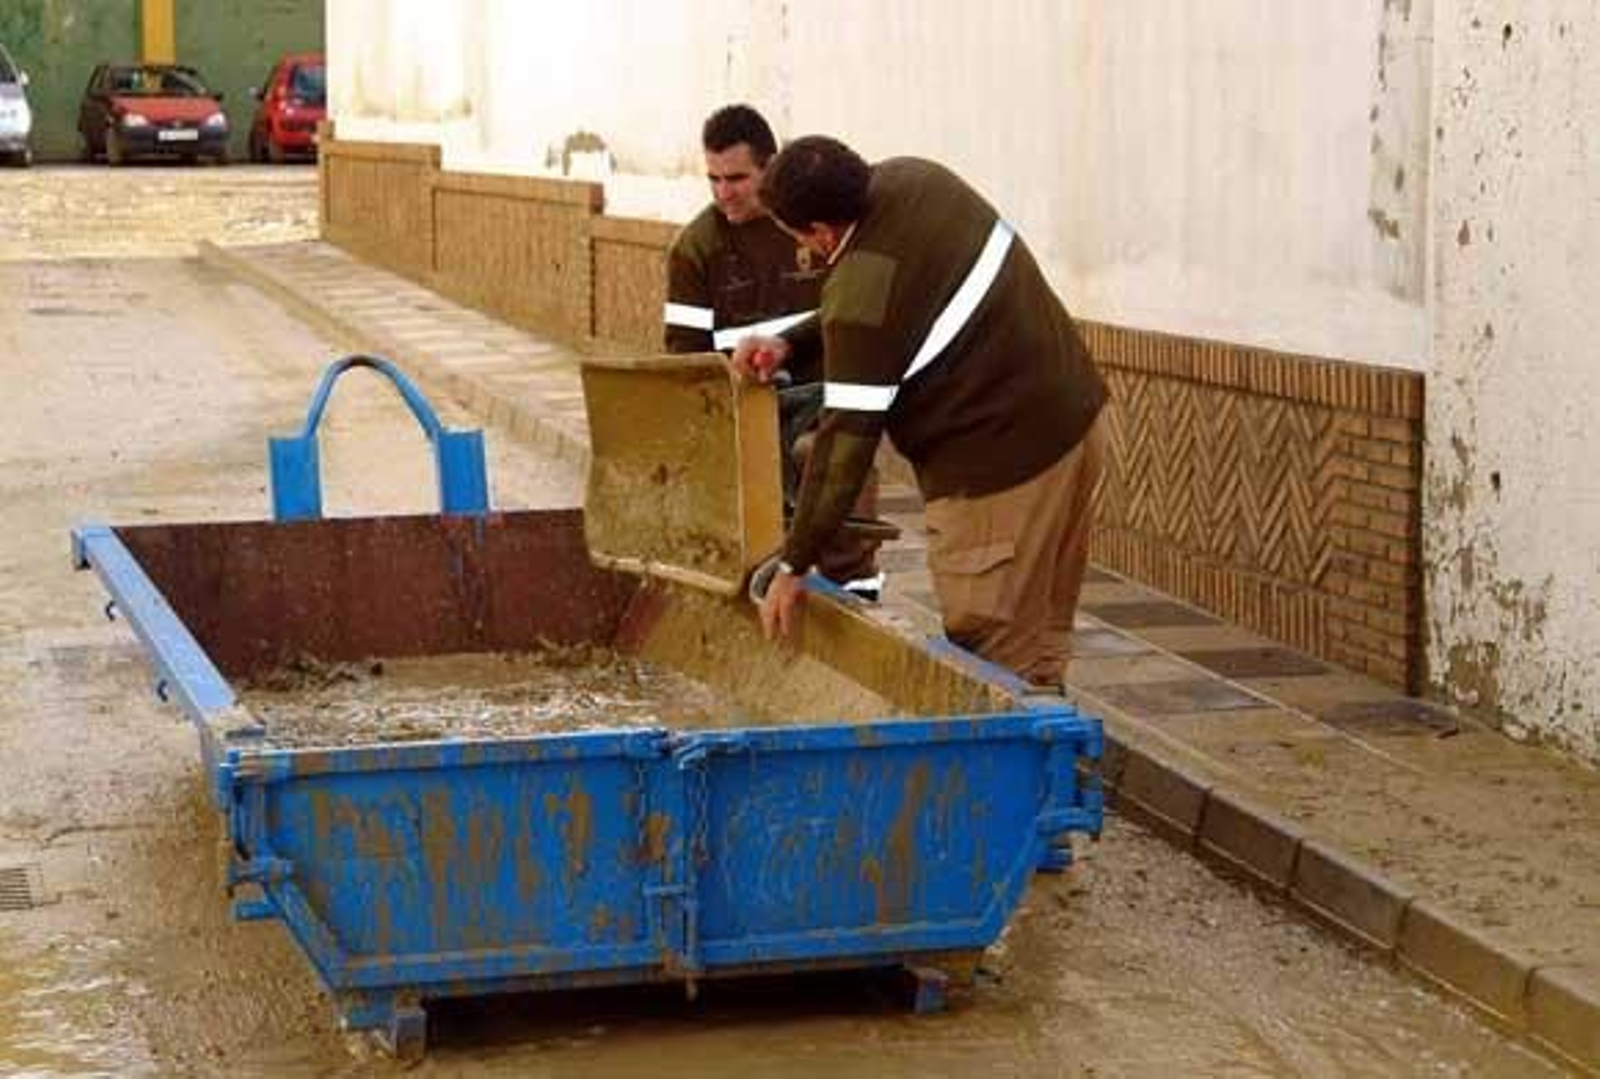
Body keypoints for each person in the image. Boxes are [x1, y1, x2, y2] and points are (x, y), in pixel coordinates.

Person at [734, 136, 1108, 692]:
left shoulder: (859, 283)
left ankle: (1014, 776)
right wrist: (792, 343)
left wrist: (794, 563)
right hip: (1077, 426)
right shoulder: (917, 180)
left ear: (820, 233)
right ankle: (1061, 768)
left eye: (797, 237)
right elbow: (889, 305)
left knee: (995, 666)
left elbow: (845, 445)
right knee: (1042, 649)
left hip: (1004, 476)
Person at [663, 106, 883, 600]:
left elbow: (852, 315)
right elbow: (684, 360)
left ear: (769, 167)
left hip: (825, 400)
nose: (724, 193)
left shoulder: (815, 225)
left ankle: (858, 595)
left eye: (737, 178)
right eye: (713, 179)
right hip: (742, 408)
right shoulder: (694, 249)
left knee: (831, 459)